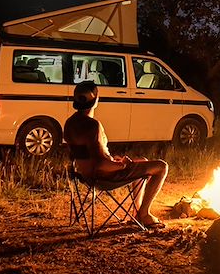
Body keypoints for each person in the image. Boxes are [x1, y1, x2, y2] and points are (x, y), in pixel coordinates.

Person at [64, 80, 168, 229]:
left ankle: (137, 212)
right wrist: (122, 165)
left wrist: (112, 159)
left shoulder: (70, 123)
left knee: (143, 160)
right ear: (96, 100)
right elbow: (101, 165)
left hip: (84, 175)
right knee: (161, 167)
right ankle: (144, 214)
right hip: (103, 177)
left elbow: (89, 156)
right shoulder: (93, 126)